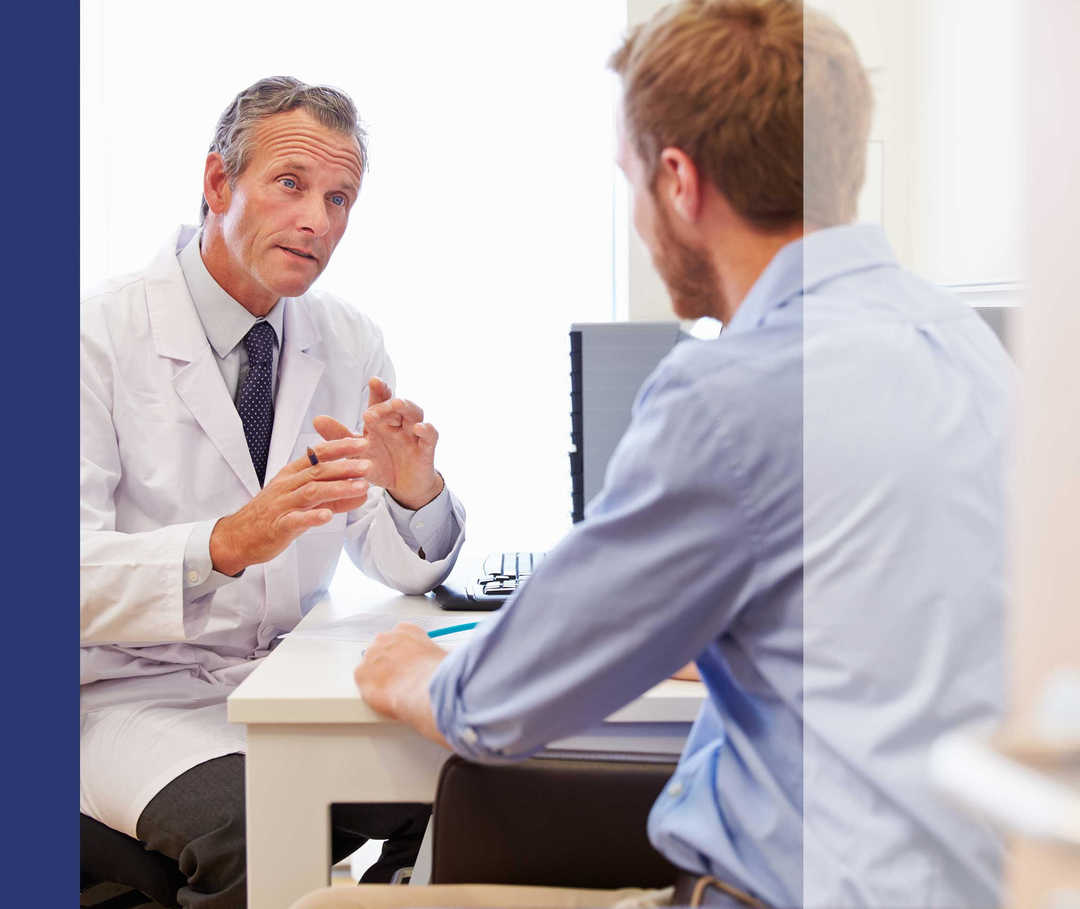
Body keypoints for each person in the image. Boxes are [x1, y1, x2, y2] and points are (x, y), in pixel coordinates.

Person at [295, 1, 1013, 908]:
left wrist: (415, 672)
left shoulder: (733, 391)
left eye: (629, 180)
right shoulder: (968, 346)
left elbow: (494, 705)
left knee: (328, 902)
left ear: (678, 180)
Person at [80, 77, 466, 907]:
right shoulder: (91, 337)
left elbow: (395, 559)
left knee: (467, 787)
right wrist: (222, 544)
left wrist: (413, 491)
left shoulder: (348, 338)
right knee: (264, 836)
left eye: (339, 198)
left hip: (286, 683)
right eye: (291, 183)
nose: (317, 220)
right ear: (218, 182)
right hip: (131, 698)